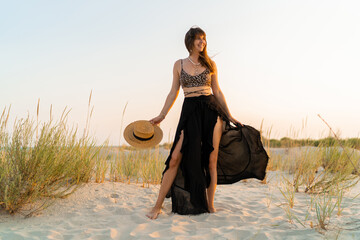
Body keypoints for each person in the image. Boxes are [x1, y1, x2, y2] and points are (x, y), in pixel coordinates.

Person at [146, 27, 244, 220]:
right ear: (190, 41)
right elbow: (173, 91)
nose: (203, 42)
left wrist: (229, 115)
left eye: (204, 39)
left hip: (211, 110)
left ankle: (210, 205)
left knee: (211, 160)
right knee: (175, 157)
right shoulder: (179, 64)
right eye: (199, 39)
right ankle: (157, 206)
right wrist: (162, 115)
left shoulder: (210, 64)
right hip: (190, 110)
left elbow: (217, 91)